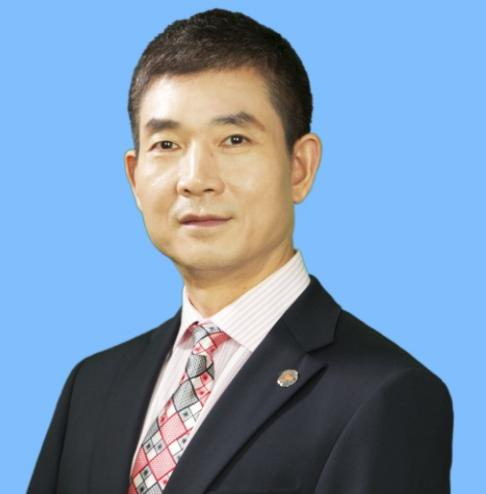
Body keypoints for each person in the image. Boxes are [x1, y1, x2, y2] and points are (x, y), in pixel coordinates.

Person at [27, 8, 453, 494]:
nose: (196, 180)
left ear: (300, 167)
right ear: (134, 177)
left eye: (234, 139)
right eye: (166, 144)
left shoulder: (384, 395)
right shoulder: (91, 386)